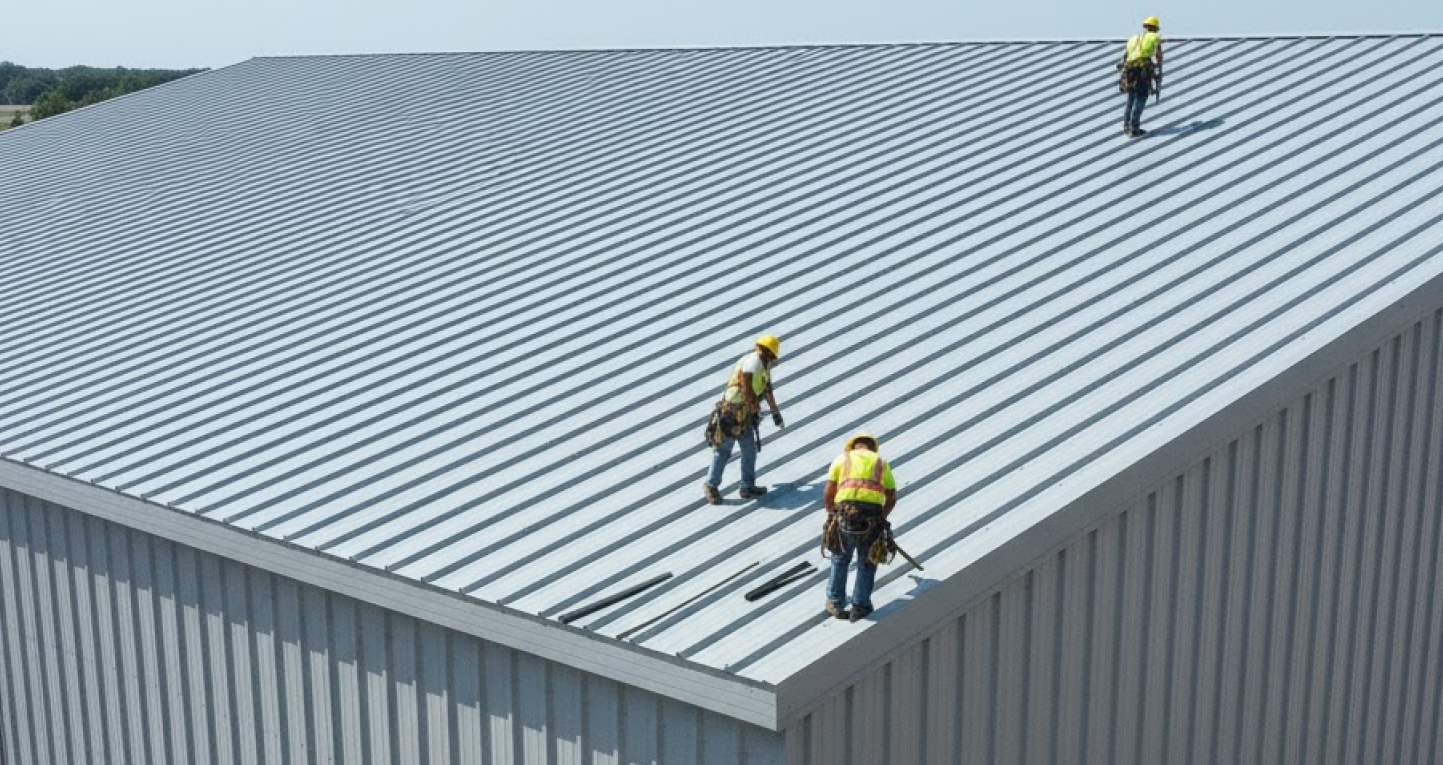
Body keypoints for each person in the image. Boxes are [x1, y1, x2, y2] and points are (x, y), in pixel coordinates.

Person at [822, 432, 897, 622]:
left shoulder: (842, 459)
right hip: (871, 519)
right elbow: (891, 495)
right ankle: (860, 606)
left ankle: (835, 601)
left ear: (854, 446)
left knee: (840, 558)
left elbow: (829, 492)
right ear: (871, 447)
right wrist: (881, 517)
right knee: (867, 562)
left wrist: (832, 515)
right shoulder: (881, 463)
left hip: (845, 516)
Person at [703, 335, 784, 503]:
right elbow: (747, 391)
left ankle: (747, 487)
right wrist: (756, 410)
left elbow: (767, 389)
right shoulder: (751, 364)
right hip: (731, 415)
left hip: (745, 415)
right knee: (724, 451)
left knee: (749, 450)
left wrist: (775, 411)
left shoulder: (763, 366)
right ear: (767, 352)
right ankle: (711, 485)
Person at [1120, 16, 1163, 138]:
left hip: (1129, 69)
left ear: (1145, 27)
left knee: (1131, 96)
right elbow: (1158, 54)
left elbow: (1126, 56)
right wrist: (1159, 67)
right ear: (1155, 29)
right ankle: (1134, 127)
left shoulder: (1133, 38)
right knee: (1141, 95)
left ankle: (1126, 125)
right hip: (1142, 69)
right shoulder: (1154, 37)